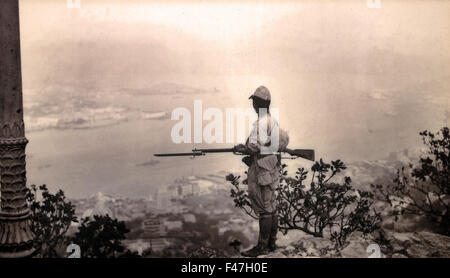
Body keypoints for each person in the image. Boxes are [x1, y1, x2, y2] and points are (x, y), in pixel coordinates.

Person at [234, 86, 288, 257]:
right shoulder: (272, 121)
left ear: (258, 104)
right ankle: (271, 243)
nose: (253, 105)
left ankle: (262, 246)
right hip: (271, 169)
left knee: (264, 210)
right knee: (271, 207)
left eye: (255, 102)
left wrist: (241, 149)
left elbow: (253, 148)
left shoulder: (262, 123)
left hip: (262, 170)